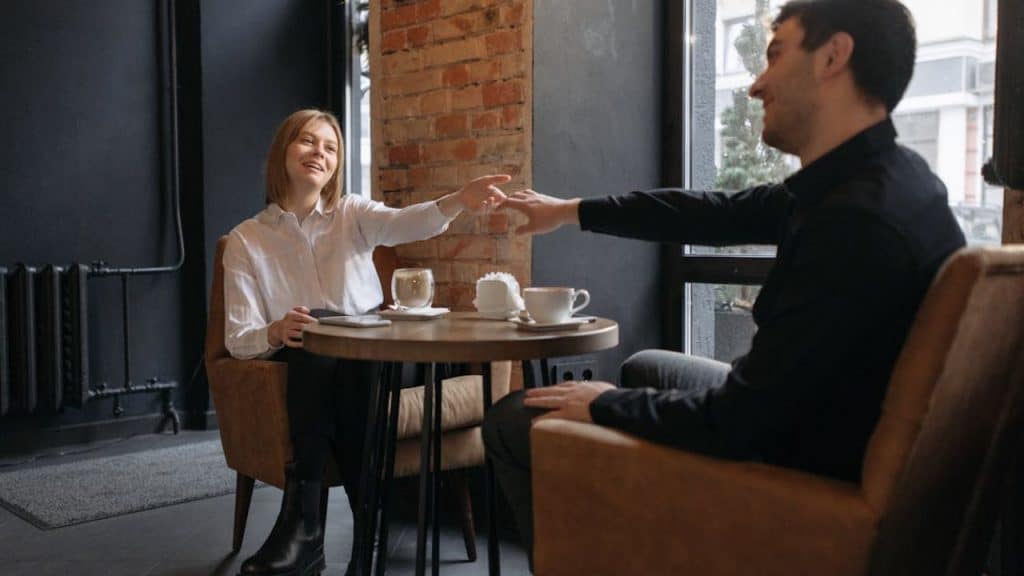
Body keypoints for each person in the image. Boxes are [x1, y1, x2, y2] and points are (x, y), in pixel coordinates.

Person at [482, 0, 966, 560]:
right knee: (647, 367)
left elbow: (738, 422)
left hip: (794, 473)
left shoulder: (854, 223)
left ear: (834, 56)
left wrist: (607, 404)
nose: (757, 85)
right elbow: (711, 212)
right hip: (817, 421)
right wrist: (567, 211)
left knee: (515, 418)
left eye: (775, 55)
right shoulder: (886, 180)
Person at [222, 108, 509, 576]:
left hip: (380, 357)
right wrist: (275, 330)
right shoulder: (246, 240)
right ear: (282, 152)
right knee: (318, 334)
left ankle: (305, 530)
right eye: (307, 141)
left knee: (346, 348)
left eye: (330, 147)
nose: (319, 153)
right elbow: (239, 337)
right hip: (304, 360)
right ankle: (366, 535)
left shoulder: (352, 213)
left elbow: (405, 223)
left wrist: (459, 200)